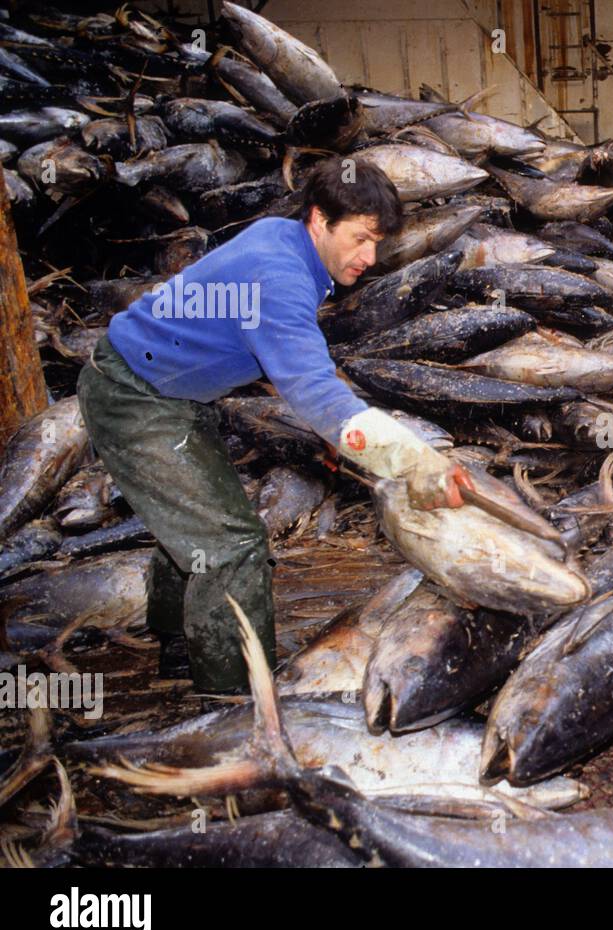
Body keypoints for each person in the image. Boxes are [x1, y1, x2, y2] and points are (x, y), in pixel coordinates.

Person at [75, 158, 473, 693]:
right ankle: (233, 696)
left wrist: (337, 430)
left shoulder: (283, 239)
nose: (370, 257)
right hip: (132, 396)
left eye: (378, 243)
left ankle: (178, 646)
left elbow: (300, 360)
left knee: (196, 514)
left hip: (168, 388)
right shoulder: (279, 277)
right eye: (359, 239)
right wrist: (416, 459)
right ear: (318, 219)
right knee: (232, 543)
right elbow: (311, 388)